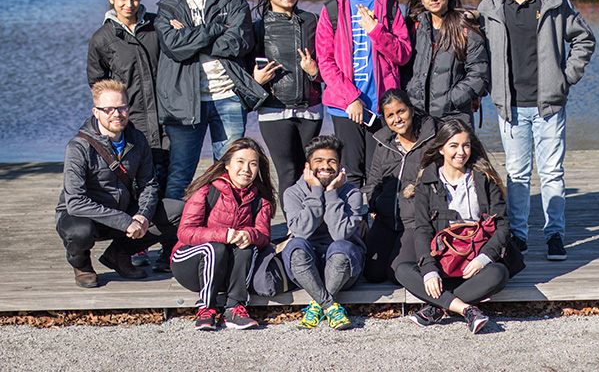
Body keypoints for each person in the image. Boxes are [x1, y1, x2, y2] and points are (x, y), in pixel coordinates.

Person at [478, 0, 595, 260]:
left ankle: (555, 235)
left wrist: (565, 78)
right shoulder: (490, 8)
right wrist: (487, 87)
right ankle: (518, 235)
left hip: (549, 105)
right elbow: (480, 53)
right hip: (511, 107)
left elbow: (584, 39)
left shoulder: (553, 0)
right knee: (517, 175)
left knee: (552, 173)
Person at [154, 0, 268, 201]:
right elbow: (174, 47)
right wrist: (216, 28)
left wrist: (192, 38)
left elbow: (240, 41)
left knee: (229, 174)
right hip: (184, 103)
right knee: (180, 174)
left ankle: (226, 234)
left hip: (227, 96)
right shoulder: (167, 6)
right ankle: (172, 239)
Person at [55, 80, 183, 288]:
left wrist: (142, 215)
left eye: (122, 107)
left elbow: (149, 185)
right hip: (84, 216)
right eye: (109, 109)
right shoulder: (78, 147)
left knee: (178, 211)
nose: (117, 114)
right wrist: (125, 221)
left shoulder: (137, 140)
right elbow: (76, 203)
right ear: (96, 112)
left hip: (123, 209)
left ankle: (119, 253)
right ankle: (82, 265)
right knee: (79, 232)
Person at [86, 0, 171, 271]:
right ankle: (130, 249)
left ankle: (169, 251)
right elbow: (97, 87)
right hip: (130, 126)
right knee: (136, 189)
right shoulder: (103, 38)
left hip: (164, 120)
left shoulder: (156, 26)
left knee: (168, 186)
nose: (129, 4)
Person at [394, 119, 510, 334]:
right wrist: (429, 270)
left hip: (475, 259)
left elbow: (502, 226)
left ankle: (437, 307)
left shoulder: (484, 179)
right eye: (453, 146)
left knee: (499, 273)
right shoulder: (427, 182)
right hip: (443, 259)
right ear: (441, 149)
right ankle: (466, 309)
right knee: (401, 270)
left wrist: (483, 259)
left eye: (465, 145)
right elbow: (422, 230)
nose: (461, 152)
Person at [315, 0, 412, 188]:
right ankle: (355, 224)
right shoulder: (332, 9)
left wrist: (375, 31)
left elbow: (403, 54)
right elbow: (325, 62)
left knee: (379, 173)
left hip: (382, 105)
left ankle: (379, 225)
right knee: (350, 173)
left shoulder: (388, 4)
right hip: (346, 106)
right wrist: (351, 98)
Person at [171, 137, 276, 330]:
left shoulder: (261, 199)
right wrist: (223, 235)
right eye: (240, 162)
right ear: (227, 164)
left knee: (247, 248)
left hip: (227, 272)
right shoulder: (207, 189)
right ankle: (206, 309)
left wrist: (250, 235)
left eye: (253, 164)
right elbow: (184, 233)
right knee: (216, 248)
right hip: (191, 264)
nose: (247, 169)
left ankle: (234, 309)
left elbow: (264, 235)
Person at [251, 0, 322, 212]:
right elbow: (244, 67)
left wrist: (315, 71)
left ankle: (313, 223)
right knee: (287, 171)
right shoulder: (257, 27)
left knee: (311, 169)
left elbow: (330, 61)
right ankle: (294, 226)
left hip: (310, 109)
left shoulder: (311, 20)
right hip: (274, 110)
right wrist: (256, 80)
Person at [282, 135, 366, 331]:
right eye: (318, 161)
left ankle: (317, 304)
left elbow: (339, 234)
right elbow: (301, 231)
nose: (325, 166)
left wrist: (331, 193)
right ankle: (329, 306)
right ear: (308, 167)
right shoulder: (292, 193)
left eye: (332, 161)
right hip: (306, 270)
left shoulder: (352, 193)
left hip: (344, 269)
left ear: (340, 165)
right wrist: (316, 192)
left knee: (340, 247)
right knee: (296, 246)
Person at [362, 88, 438, 283]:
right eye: (390, 115)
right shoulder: (383, 143)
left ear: (411, 110)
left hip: (415, 222)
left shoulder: (431, 141)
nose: (397, 119)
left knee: (396, 274)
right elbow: (374, 182)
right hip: (386, 220)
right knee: (372, 273)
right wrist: (373, 206)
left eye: (401, 111)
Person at [404, 0, 489, 127]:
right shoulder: (414, 28)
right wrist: (411, 94)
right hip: (419, 117)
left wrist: (452, 99)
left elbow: (479, 73)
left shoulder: (465, 28)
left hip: (455, 117)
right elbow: (405, 68)